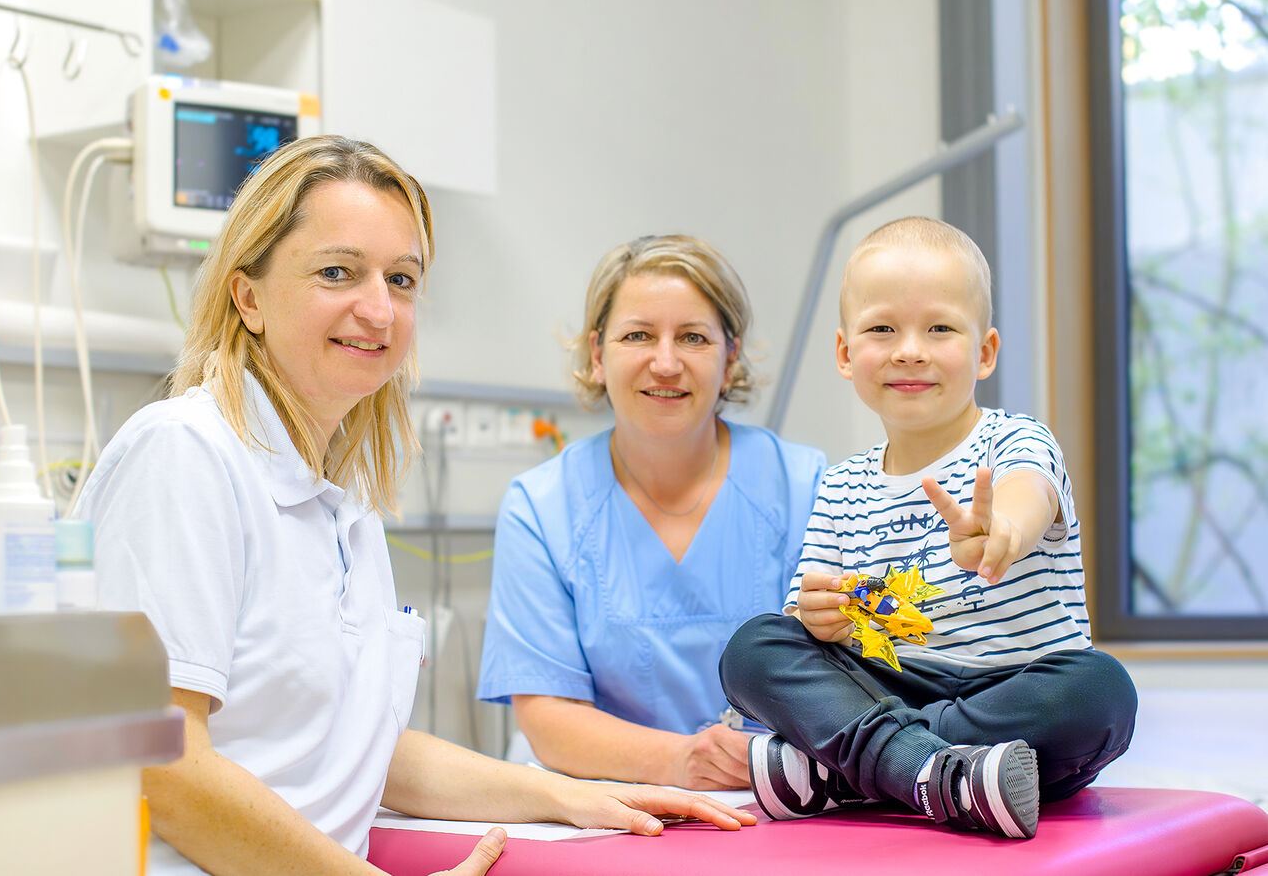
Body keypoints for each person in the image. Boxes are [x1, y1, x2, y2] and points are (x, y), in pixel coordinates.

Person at [74, 137, 755, 876]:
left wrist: (569, 796)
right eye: (337, 272)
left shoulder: (340, 502)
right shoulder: (184, 452)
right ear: (248, 296)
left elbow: (362, 745)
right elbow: (160, 760)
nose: (377, 308)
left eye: (400, 279)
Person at [718, 216, 1137, 839]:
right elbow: (808, 621)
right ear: (845, 353)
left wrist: (1002, 533)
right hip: (890, 687)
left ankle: (854, 772)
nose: (909, 348)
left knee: (1100, 691)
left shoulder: (1017, 441)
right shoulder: (840, 483)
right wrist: (816, 617)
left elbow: (1029, 495)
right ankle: (934, 774)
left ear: (985, 351)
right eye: (882, 328)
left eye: (940, 328)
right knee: (754, 648)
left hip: (1013, 689)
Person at [477, 234, 828, 790]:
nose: (665, 363)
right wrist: (685, 761)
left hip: (779, 798)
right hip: (605, 802)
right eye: (638, 335)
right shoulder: (542, 508)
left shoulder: (807, 487)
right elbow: (547, 715)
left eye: (692, 338)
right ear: (597, 355)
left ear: (730, 357)